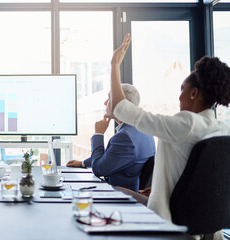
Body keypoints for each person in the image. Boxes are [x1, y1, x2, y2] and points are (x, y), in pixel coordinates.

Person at [109, 34, 230, 223]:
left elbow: (122, 109)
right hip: (202, 222)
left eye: (182, 89)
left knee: (111, 193)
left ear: (193, 93)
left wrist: (115, 64)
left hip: (167, 220)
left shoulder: (187, 123)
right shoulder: (221, 129)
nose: (179, 96)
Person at [66, 84, 155, 192]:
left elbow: (99, 169)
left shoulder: (125, 137)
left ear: (120, 105)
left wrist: (98, 134)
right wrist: (83, 163)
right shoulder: (142, 129)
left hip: (119, 194)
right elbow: (113, 157)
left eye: (109, 98)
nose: (105, 103)